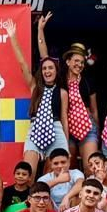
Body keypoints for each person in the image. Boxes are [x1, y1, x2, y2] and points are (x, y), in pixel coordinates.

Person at [21, 14, 69, 171]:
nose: (47, 71)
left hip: (55, 129)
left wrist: (66, 143)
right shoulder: (36, 87)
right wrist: (39, 29)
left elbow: (63, 119)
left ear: (57, 71)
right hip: (35, 128)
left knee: (54, 174)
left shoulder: (62, 92)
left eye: (51, 68)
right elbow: (23, 62)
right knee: (29, 170)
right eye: (44, 68)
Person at [59, 42, 100, 161]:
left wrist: (98, 131)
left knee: (90, 166)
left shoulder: (88, 82)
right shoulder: (60, 81)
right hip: (66, 129)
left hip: (87, 127)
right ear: (68, 62)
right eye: (76, 61)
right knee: (68, 166)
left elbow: (94, 110)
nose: (80, 65)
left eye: (82, 62)